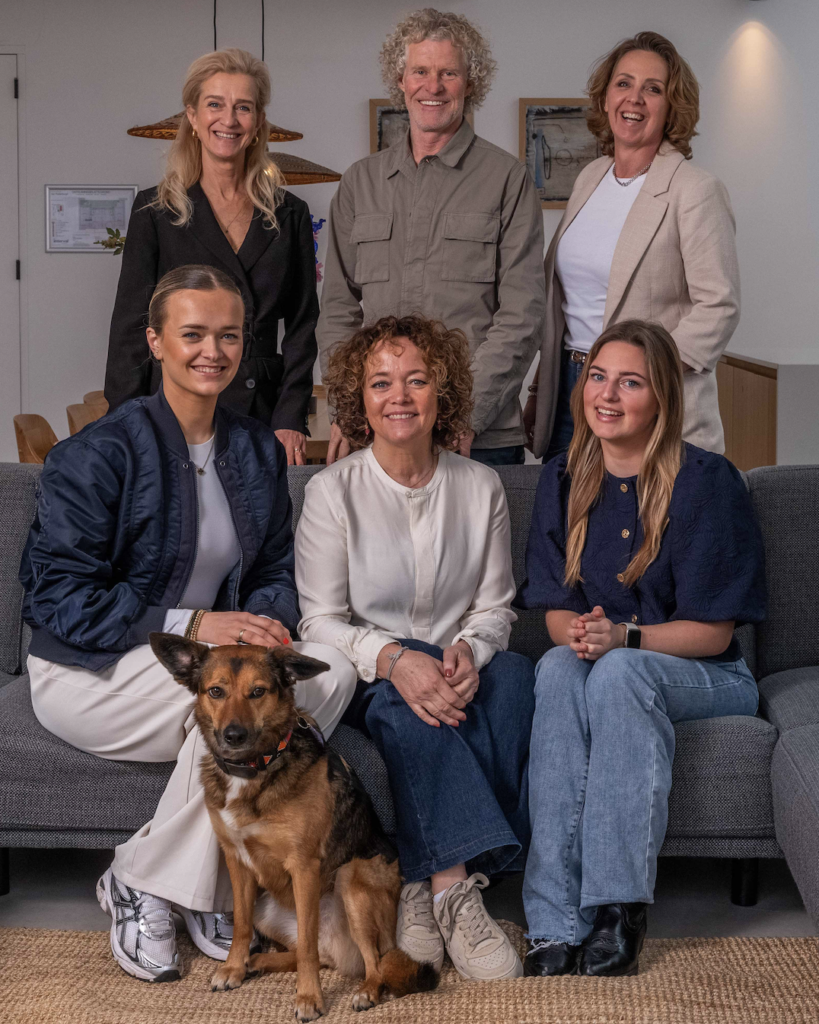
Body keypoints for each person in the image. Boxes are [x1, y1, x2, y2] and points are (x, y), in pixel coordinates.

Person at [21, 265, 356, 982]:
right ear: (156, 341)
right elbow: (57, 599)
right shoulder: (96, 454)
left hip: (209, 665)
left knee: (330, 676)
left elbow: (273, 570)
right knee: (216, 706)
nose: (213, 351)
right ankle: (147, 886)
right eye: (193, 334)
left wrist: (262, 628)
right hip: (90, 669)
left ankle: (175, 877)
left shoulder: (255, 449)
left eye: (229, 335)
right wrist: (196, 622)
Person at [516, 320, 765, 977]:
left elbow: (713, 634)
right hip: (608, 661)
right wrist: (580, 636)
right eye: (597, 376)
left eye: (629, 382)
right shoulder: (563, 476)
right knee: (557, 668)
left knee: (620, 672)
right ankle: (551, 921)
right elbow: (557, 610)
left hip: (708, 675)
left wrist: (623, 639)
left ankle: (617, 908)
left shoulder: (706, 481)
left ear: (661, 398)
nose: (606, 394)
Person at [295, 314, 535, 981]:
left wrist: (470, 652)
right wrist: (397, 660)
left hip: (458, 663)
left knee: (519, 679)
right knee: (408, 708)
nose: (398, 396)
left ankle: (421, 885)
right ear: (360, 400)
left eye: (416, 380)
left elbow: (495, 606)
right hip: (370, 673)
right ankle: (454, 887)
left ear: (441, 394)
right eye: (380, 382)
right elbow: (318, 622)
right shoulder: (330, 492)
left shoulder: (481, 485)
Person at [317, 9, 545, 467]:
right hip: (379, 431)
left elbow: (522, 315)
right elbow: (338, 310)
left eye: (449, 73)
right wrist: (348, 406)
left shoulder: (507, 179)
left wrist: (465, 412)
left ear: (470, 83)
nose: (433, 86)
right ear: (400, 80)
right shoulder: (361, 183)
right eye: (420, 71)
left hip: (478, 437)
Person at [525, 31, 740, 462]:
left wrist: (643, 375)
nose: (635, 98)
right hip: (570, 391)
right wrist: (539, 389)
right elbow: (566, 304)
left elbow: (719, 306)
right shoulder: (590, 178)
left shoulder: (694, 189)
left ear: (672, 106)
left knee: (643, 508)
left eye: (653, 89)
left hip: (648, 399)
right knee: (567, 505)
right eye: (623, 83)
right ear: (606, 98)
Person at [105, 48, 318, 467]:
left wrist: (291, 415)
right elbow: (130, 326)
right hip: (171, 408)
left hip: (263, 413)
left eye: (243, 107)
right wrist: (124, 420)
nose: (229, 120)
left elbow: (302, 324)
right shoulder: (155, 212)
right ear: (193, 116)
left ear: (258, 122)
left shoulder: (290, 213)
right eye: (215, 105)